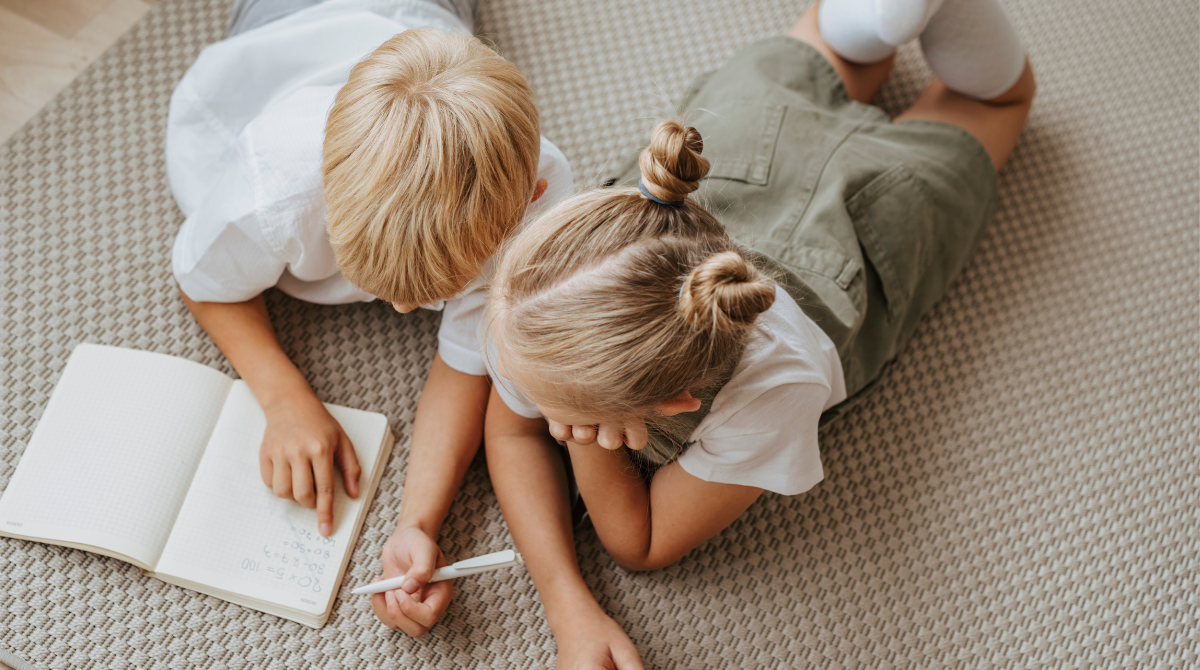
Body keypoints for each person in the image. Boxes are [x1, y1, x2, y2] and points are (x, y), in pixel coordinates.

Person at [477, 0, 1035, 666]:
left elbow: (641, 543)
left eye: (558, 417)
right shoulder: (538, 302)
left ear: (675, 405)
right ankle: (870, 25)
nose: (518, 394)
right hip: (747, 141)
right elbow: (508, 432)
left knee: (999, 102)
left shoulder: (774, 393)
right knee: (817, 57)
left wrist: (587, 447)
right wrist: (566, 599)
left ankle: (887, 24)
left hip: (867, 217)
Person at [166, 0, 573, 637]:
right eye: (379, 284)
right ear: (325, 195)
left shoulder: (540, 194)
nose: (407, 310)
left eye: (434, 291)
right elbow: (202, 281)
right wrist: (282, 396)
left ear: (530, 201)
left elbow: (466, 361)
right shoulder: (275, 185)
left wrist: (418, 521)